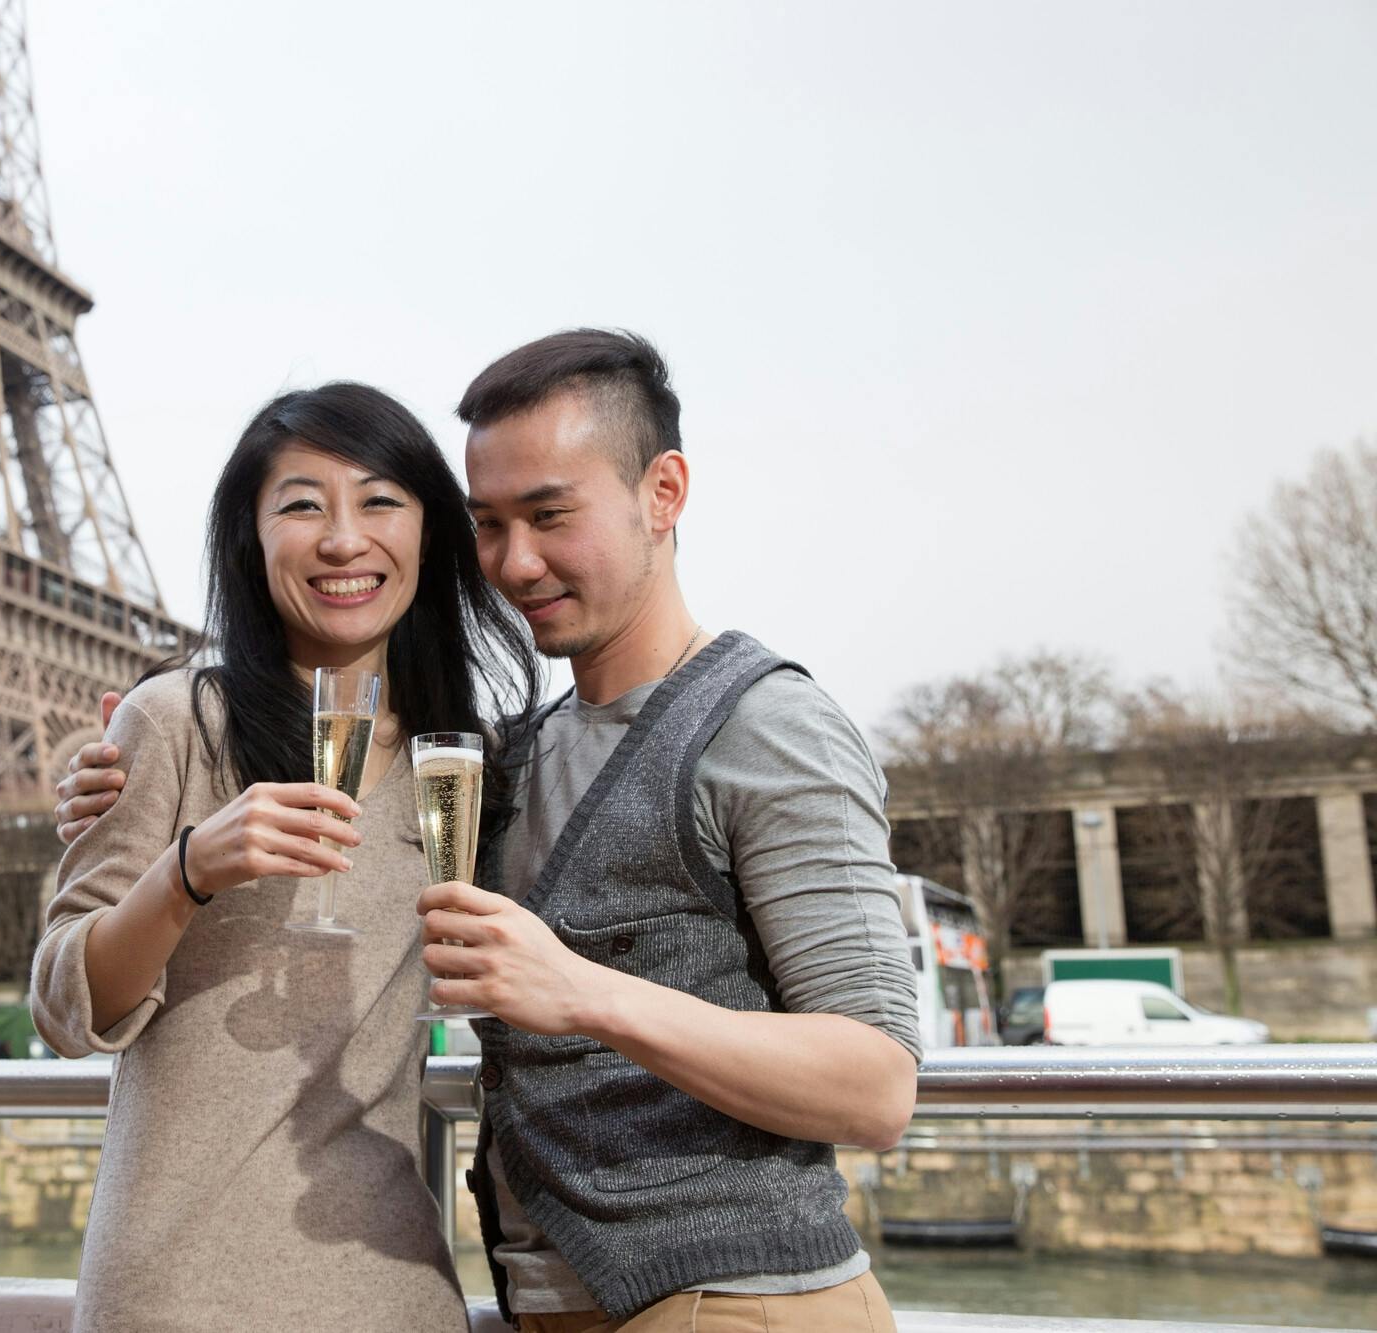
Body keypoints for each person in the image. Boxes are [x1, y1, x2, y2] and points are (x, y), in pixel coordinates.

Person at [56, 331, 921, 1333]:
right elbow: (79, 984)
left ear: (663, 493)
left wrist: (584, 992)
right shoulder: (490, 762)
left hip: (724, 1301)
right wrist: (150, 826)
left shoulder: (765, 728)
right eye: (491, 524)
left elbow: (876, 1086)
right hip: (525, 1300)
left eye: (550, 515)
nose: (516, 561)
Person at [29, 381, 536, 1333]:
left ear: (432, 533)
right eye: (302, 504)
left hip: (393, 1291)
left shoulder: (465, 765)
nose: (344, 538)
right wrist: (184, 872)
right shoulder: (176, 721)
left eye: (380, 499)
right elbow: (66, 1006)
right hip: (177, 1294)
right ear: (251, 541)